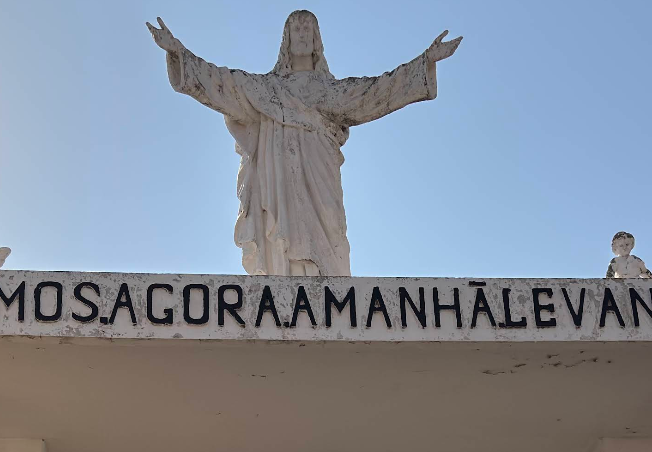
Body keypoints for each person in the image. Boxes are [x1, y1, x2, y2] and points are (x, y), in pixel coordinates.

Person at [148, 10, 461, 276]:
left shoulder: (332, 91)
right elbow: (222, 84)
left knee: (331, 233)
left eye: (307, 29)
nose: (301, 34)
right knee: (283, 246)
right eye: (295, 29)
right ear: (286, 39)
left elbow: (376, 92)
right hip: (279, 183)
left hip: (321, 174)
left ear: (316, 41)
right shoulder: (265, 90)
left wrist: (424, 63)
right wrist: (179, 54)